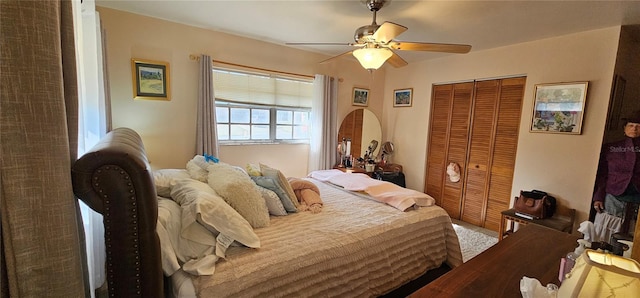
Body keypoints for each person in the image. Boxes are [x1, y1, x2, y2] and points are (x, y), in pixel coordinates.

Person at [593, 116, 640, 235]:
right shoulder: (611, 148)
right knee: (605, 233)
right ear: (624, 128)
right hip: (613, 197)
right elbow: (603, 174)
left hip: (637, 198)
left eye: (639, 126)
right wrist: (599, 195)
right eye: (631, 125)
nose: (634, 129)